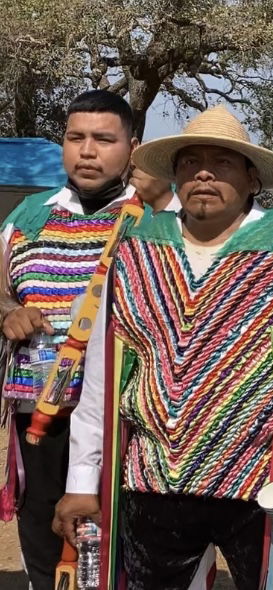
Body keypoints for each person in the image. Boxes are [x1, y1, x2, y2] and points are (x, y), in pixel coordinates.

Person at [52, 104, 273, 589]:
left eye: (222, 162)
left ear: (252, 179)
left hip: (264, 479)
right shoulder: (136, 248)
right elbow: (103, 371)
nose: (203, 173)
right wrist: (81, 480)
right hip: (153, 480)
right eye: (190, 162)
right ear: (176, 176)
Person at [0, 89, 138, 590]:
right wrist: (10, 311)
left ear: (132, 145)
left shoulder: (152, 221)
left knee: (120, 536)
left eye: (104, 139)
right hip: (38, 412)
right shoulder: (27, 217)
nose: (87, 150)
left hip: (123, 415)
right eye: (75, 137)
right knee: (41, 530)